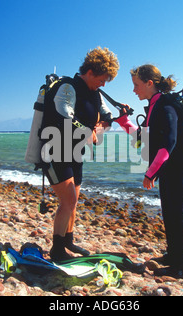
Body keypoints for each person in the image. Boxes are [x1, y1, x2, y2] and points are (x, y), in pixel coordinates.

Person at [116, 64, 183, 279]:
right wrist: (124, 121)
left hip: (178, 167)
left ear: (150, 83)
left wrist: (150, 172)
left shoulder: (165, 106)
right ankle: (172, 255)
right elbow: (144, 139)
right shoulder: (154, 105)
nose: (134, 90)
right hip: (167, 168)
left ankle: (182, 267)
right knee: (169, 212)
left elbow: (169, 142)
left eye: (136, 85)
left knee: (178, 214)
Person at [40, 47, 119, 262]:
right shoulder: (68, 87)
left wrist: (100, 128)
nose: (103, 85)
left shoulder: (96, 94)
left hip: (75, 152)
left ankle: (68, 241)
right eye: (102, 79)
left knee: (73, 201)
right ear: (91, 71)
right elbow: (65, 115)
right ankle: (57, 251)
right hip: (54, 150)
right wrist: (88, 131)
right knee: (68, 200)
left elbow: (108, 116)